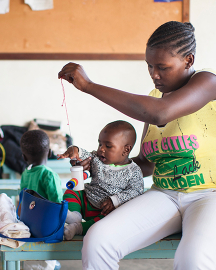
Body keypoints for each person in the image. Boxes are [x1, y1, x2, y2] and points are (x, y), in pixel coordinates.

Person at [58, 21, 216, 270]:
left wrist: (88, 86)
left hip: (209, 195)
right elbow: (144, 163)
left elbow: (160, 114)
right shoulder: (155, 99)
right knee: (98, 240)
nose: (154, 74)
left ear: (188, 60)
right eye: (150, 66)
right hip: (165, 195)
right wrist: (102, 163)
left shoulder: (208, 83)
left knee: (193, 260)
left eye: (162, 67)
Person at [58, 120, 143, 240]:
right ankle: (74, 215)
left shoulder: (133, 171)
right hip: (87, 199)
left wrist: (116, 200)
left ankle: (78, 228)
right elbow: (84, 154)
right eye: (100, 144)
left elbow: (136, 191)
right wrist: (75, 150)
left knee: (113, 219)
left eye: (108, 146)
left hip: (105, 210)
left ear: (126, 150)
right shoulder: (97, 159)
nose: (101, 149)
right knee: (73, 190)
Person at [20, 129, 63, 203]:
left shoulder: (25, 174)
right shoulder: (49, 175)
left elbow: (23, 200)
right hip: (48, 214)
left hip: (29, 214)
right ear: (50, 153)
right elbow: (58, 204)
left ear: (24, 157)